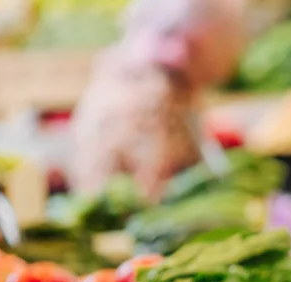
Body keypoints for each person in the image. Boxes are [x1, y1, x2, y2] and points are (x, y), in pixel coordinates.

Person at [71, 0, 245, 200]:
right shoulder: (148, 99)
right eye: (230, 35)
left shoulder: (177, 87)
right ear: (200, 39)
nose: (238, 47)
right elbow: (151, 195)